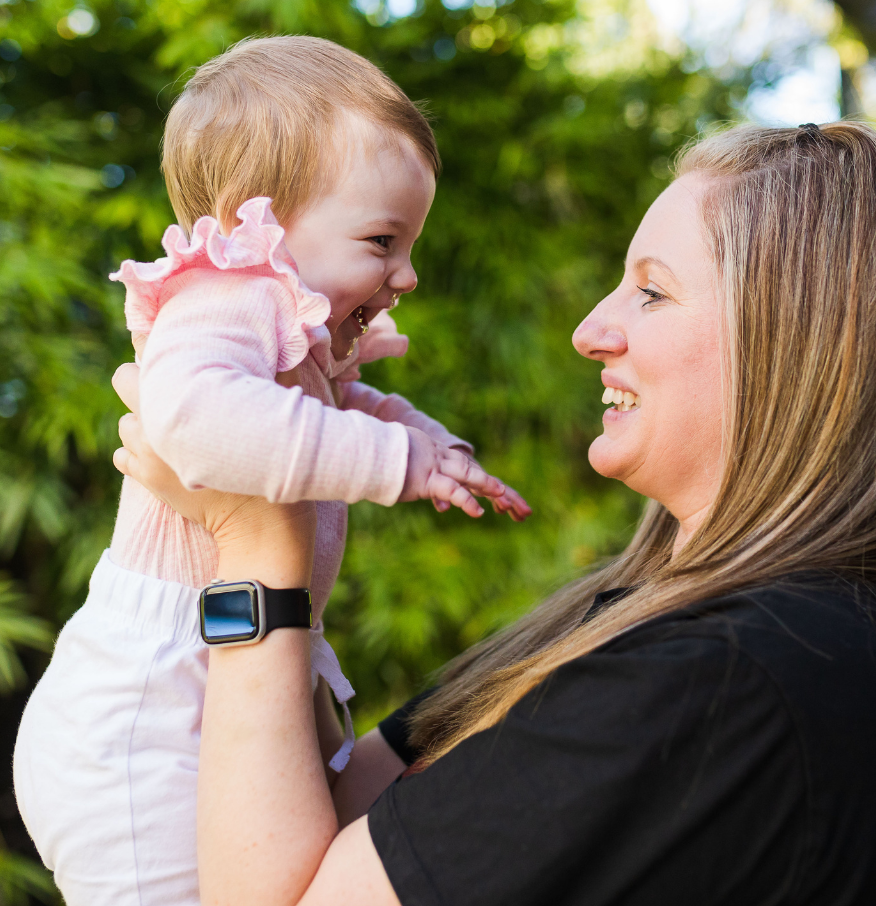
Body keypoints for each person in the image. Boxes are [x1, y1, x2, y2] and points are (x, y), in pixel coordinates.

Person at [106, 120, 876, 905]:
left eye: (652, 289)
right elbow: (315, 825)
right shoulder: (627, 621)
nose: (590, 331)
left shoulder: (721, 677)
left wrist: (258, 547)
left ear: (798, 338)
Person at [12, 35, 530, 906]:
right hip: (143, 714)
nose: (406, 274)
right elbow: (196, 421)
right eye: (381, 239)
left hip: (210, 675)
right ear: (260, 216)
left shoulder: (293, 333)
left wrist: (426, 442)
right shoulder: (225, 297)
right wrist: (398, 462)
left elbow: (341, 413)